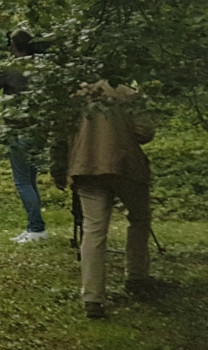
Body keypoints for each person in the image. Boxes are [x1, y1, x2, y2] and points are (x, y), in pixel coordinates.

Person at [52, 80, 156, 319]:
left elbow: (58, 136)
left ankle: (92, 298)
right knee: (140, 219)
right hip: (125, 167)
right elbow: (145, 132)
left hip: (86, 168)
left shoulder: (74, 95)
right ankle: (137, 277)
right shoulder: (128, 93)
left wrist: (59, 170)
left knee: (94, 230)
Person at [0, 29, 48, 243]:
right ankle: (34, 226)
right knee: (31, 180)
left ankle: (36, 227)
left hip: (17, 128)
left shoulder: (11, 67)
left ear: (14, 47)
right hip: (37, 128)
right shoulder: (41, 67)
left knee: (23, 182)